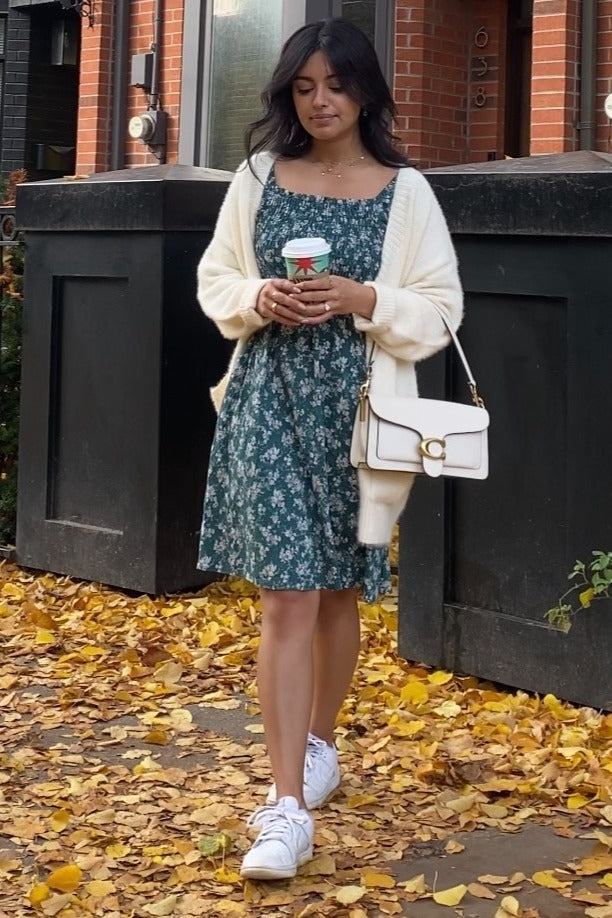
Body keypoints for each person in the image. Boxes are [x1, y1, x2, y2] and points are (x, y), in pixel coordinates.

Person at [195, 17, 463, 881]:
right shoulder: (258, 177)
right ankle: (284, 808)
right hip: (270, 399)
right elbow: (215, 280)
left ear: (366, 92)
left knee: (339, 594)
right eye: (304, 88)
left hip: (357, 411)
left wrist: (365, 296)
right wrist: (258, 297)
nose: (319, 102)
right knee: (286, 598)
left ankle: (318, 747)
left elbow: (443, 308)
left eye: (335, 86)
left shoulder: (406, 191)